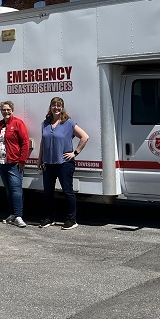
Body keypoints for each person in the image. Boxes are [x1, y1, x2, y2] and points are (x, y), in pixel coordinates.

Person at [37, 97, 89, 230]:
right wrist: (40, 158)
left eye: (59, 106)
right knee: (48, 192)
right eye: (54, 105)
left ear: (62, 107)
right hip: (48, 163)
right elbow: (43, 141)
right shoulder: (45, 123)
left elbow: (84, 137)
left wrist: (75, 153)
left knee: (67, 192)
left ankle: (71, 220)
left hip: (64, 164)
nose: (56, 108)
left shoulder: (69, 123)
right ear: (50, 107)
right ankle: (49, 218)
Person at [0, 100, 30, 227]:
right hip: (1, 162)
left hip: (13, 162)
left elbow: (25, 142)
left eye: (8, 109)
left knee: (16, 190)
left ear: (12, 110)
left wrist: (22, 160)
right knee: (8, 190)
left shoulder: (18, 123)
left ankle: (19, 216)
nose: (6, 112)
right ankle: (13, 214)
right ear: (1, 111)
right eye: (4, 110)